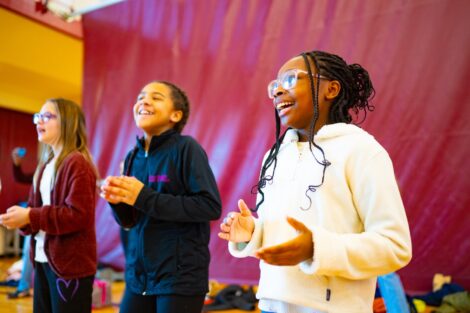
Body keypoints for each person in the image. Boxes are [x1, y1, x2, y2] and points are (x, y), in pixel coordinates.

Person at [218, 50, 412, 313]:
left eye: (289, 80)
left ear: (330, 89)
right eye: (274, 85)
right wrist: (253, 233)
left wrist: (315, 248)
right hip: (271, 305)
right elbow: (285, 236)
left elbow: (395, 246)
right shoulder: (274, 156)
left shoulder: (362, 150)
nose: (277, 92)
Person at [100, 81, 222, 313]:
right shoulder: (131, 157)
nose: (143, 101)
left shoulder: (187, 148)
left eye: (156, 97)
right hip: (139, 277)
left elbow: (209, 206)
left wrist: (143, 196)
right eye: (140, 96)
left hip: (180, 278)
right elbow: (129, 221)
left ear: (175, 115)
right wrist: (116, 201)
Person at [0, 98, 98, 313]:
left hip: (70, 267)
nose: (38, 122)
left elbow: (78, 215)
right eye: (38, 116)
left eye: (47, 116)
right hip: (43, 261)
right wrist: (22, 220)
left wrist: (29, 216)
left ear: (67, 123)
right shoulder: (44, 166)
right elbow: (35, 214)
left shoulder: (76, 162)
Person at [6, 147, 36, 299]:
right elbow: (21, 178)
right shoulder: (41, 172)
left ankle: (26, 285)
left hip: (40, 220)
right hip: (35, 220)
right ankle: (24, 285)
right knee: (28, 253)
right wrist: (16, 164)